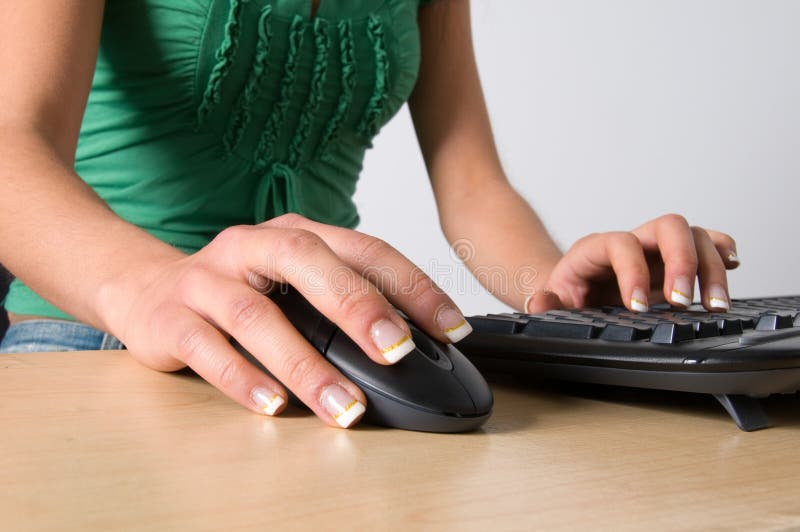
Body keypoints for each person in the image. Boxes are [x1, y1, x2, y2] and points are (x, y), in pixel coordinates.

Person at [0, 0, 738, 428]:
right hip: (93, 337)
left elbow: (473, 185)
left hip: (320, 349)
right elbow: (11, 146)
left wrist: (558, 293)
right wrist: (152, 286)